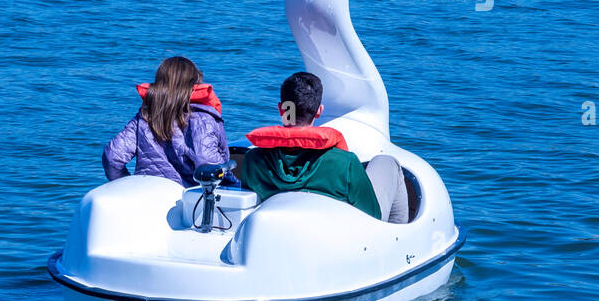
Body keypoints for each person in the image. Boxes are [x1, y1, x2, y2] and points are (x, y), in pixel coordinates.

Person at [237, 71, 409, 223]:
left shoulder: (253, 161)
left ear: (282, 110)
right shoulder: (344, 163)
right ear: (319, 111)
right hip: (334, 237)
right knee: (387, 162)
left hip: (280, 233)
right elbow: (372, 214)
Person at [103, 56, 233, 187]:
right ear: (195, 84)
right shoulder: (204, 119)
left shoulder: (144, 116)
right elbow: (209, 166)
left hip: (146, 192)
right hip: (187, 199)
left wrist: (127, 184)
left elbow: (112, 158)